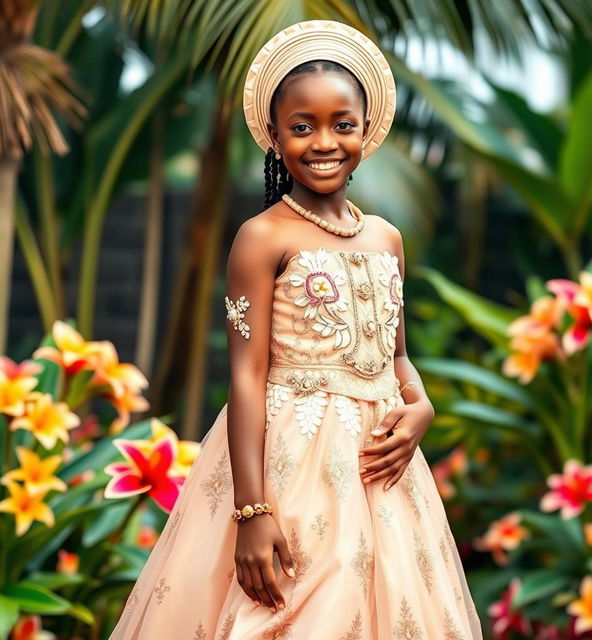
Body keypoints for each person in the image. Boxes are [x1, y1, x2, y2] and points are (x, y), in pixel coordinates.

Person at [107, 20, 483, 639]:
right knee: (304, 605)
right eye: (301, 127)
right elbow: (247, 379)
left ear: (367, 131)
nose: (324, 142)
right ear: (275, 138)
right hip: (294, 465)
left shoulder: (386, 236)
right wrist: (253, 511)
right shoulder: (262, 237)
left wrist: (422, 408)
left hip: (383, 472)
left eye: (343, 124)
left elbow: (396, 358)